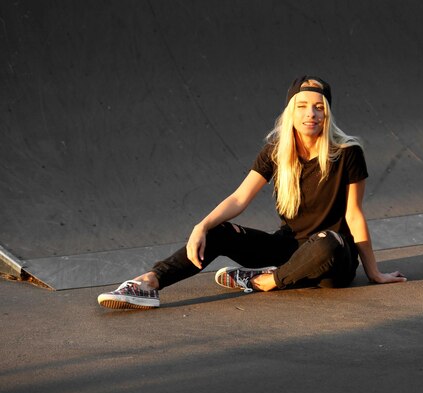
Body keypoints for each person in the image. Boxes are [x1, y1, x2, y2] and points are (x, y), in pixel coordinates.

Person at [98, 75, 406, 310]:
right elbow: (239, 198)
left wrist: (373, 272)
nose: (310, 113)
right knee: (217, 232)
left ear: (327, 114)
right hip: (289, 248)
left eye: (318, 107)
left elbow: (354, 214)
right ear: (291, 112)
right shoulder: (275, 152)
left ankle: (265, 280)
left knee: (327, 244)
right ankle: (149, 283)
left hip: (335, 257)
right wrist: (201, 226)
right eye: (302, 106)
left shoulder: (347, 153)